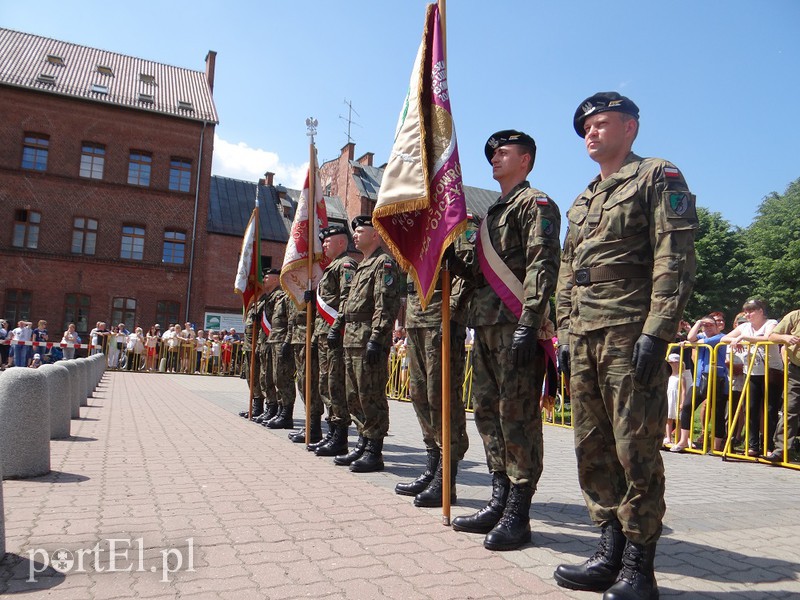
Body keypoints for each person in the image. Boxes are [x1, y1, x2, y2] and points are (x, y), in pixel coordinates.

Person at [554, 92, 697, 599]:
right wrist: (565, 332)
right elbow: (568, 272)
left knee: (634, 449)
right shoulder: (583, 199)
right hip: (586, 333)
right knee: (591, 448)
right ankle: (608, 548)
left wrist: (658, 329)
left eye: (602, 123)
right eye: (586, 127)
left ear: (630, 127)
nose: (591, 132)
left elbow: (674, 254)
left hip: (629, 330)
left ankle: (640, 566)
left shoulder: (657, 176)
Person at [447, 130, 561, 551]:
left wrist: (529, 324)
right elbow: (477, 272)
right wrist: (447, 251)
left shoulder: (537, 204)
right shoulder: (492, 212)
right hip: (486, 325)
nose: (494, 158)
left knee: (518, 419)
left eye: (504, 152)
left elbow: (542, 265)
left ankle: (519, 511)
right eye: (492, 153)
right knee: (488, 413)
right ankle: (499, 498)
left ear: (526, 160)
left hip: (515, 325)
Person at [394, 224, 473, 509]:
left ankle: (446, 476)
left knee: (441, 397)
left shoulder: (456, 221)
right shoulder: (421, 222)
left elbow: (469, 275)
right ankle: (432, 466)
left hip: (441, 318)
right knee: (419, 395)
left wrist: (450, 314)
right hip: (417, 318)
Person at [328, 215, 401, 472]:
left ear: (376, 235)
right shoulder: (361, 265)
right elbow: (348, 304)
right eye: (355, 231)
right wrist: (338, 329)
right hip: (352, 337)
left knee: (371, 395)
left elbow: (385, 305)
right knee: (354, 395)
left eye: (361, 231)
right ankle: (361, 442)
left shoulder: (384, 263)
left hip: (368, 336)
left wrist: (377, 338)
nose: (355, 235)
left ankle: (374, 450)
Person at [309, 225, 359, 456]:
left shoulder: (346, 265)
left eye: (328, 242)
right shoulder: (332, 267)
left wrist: (336, 327)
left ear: (340, 243)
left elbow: (347, 300)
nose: (324, 245)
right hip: (323, 334)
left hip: (334, 336)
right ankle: (331, 433)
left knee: (335, 385)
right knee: (325, 385)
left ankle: (339, 437)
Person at [721, 298, 782, 457]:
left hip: (771, 371)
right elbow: (724, 338)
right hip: (752, 372)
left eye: (751, 311)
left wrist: (745, 339)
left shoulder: (771, 323)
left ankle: (769, 446)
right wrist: (737, 339)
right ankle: (753, 445)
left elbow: (769, 338)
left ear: (761, 311)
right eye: (746, 311)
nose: (747, 315)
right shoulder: (744, 326)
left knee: (770, 410)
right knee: (751, 409)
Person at [672, 313, 729, 452]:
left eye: (711, 325)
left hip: (717, 379)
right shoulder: (702, 335)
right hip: (699, 380)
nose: (708, 327)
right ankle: (683, 440)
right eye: (705, 325)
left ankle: (715, 447)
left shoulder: (720, 337)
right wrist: (698, 323)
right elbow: (691, 337)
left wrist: (689, 343)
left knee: (717, 413)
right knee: (687, 407)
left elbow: (697, 343)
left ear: (717, 326)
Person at [766, 308, 800, 462]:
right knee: (790, 409)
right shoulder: (795, 315)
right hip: (796, 370)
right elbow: (771, 336)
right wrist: (785, 337)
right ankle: (781, 450)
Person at [264, 284, 297, 429]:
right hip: (275, 339)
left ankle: (286, 414)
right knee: (276, 377)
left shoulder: (289, 296)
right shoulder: (278, 298)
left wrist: (287, 341)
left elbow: (291, 321)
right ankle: (280, 411)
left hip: (282, 340)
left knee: (284, 378)